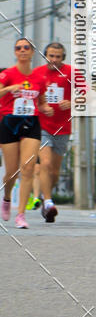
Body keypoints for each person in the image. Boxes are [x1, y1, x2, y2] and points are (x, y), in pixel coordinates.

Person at [0, 38, 49, 229]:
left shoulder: (39, 77)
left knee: (27, 168)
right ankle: (6, 198)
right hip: (9, 122)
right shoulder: (7, 74)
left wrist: (45, 108)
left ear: (32, 52)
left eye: (26, 48)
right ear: (15, 52)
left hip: (31, 123)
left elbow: (42, 99)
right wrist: (9, 89)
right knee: (11, 172)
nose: (22, 50)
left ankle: (21, 214)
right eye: (18, 48)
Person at [34, 42, 72, 223]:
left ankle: (44, 196)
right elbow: (29, 96)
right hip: (42, 127)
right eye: (51, 56)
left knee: (55, 173)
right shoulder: (38, 73)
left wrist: (72, 102)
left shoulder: (72, 72)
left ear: (63, 57)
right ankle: (49, 203)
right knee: (46, 163)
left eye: (58, 56)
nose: (54, 60)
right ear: (45, 56)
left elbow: (87, 93)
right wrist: (41, 106)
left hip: (63, 127)